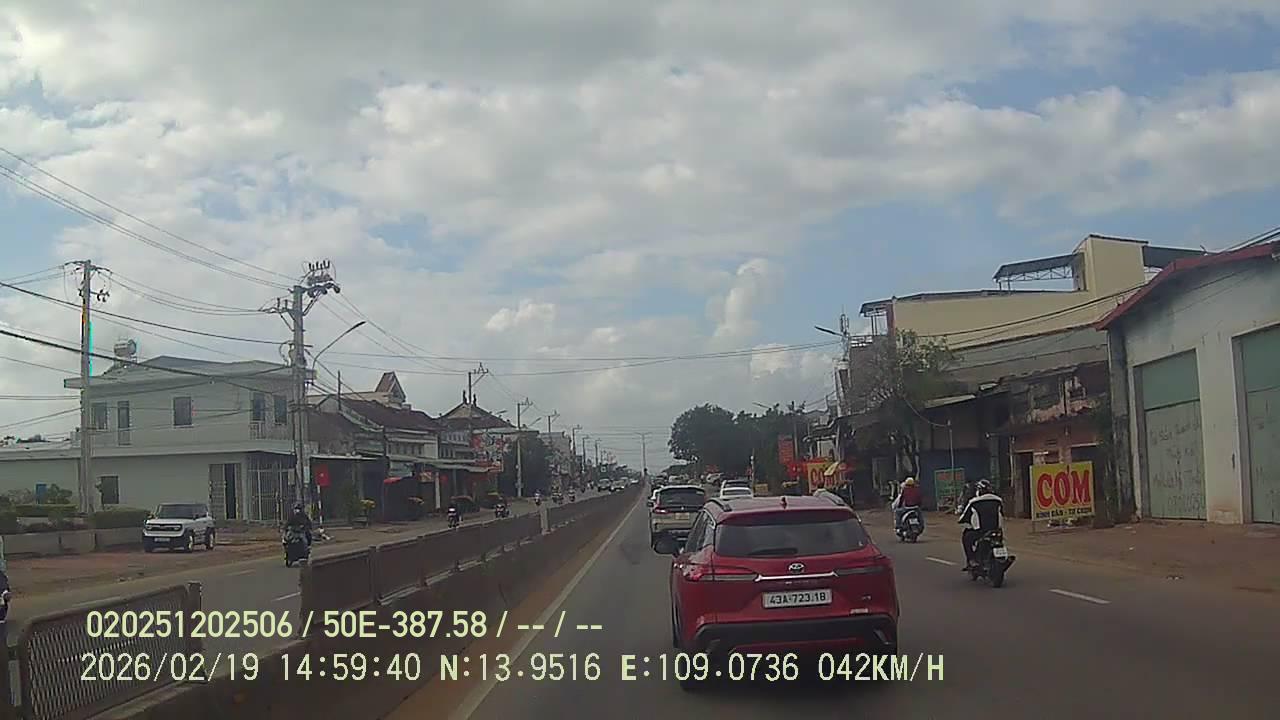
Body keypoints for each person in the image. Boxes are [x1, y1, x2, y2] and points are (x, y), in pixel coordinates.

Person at [957, 479, 1003, 570]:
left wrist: (961, 520)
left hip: (980, 532)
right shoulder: (998, 500)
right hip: (996, 531)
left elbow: (964, 516)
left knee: (966, 537)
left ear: (979, 491)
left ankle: (972, 559)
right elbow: (1001, 513)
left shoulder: (974, 502)